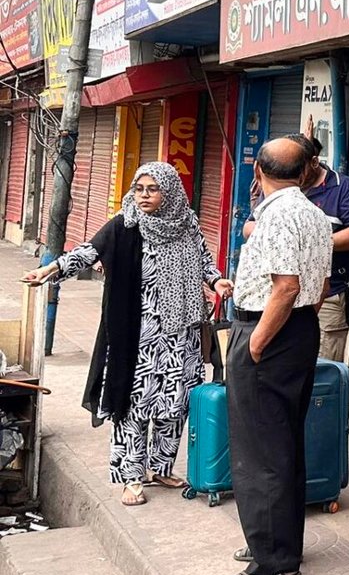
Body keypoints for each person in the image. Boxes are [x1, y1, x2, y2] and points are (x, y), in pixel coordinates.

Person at [22, 163, 233, 507]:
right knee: (134, 405)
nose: (144, 196)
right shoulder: (125, 224)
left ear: (169, 191)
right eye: (139, 189)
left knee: (174, 404)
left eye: (153, 189)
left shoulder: (187, 223)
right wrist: (51, 269)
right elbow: (89, 251)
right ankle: (132, 476)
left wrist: (216, 280)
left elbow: (204, 261)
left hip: (181, 333)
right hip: (138, 334)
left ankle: (160, 468)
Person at [215, 138, 332, 575]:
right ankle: (278, 544)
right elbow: (320, 286)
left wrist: (257, 343)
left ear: (258, 173)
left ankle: (272, 563)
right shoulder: (315, 214)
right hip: (298, 329)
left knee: (260, 450)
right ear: (304, 174)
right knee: (282, 444)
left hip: (268, 330)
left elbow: (287, 287)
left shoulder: (280, 214)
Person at [240, 134, 349, 363]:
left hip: (326, 296)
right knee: (281, 368)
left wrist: (312, 242)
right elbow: (249, 226)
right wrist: (283, 235)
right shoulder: (277, 186)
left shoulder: (344, 188)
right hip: (271, 298)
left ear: (313, 163)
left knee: (320, 368)